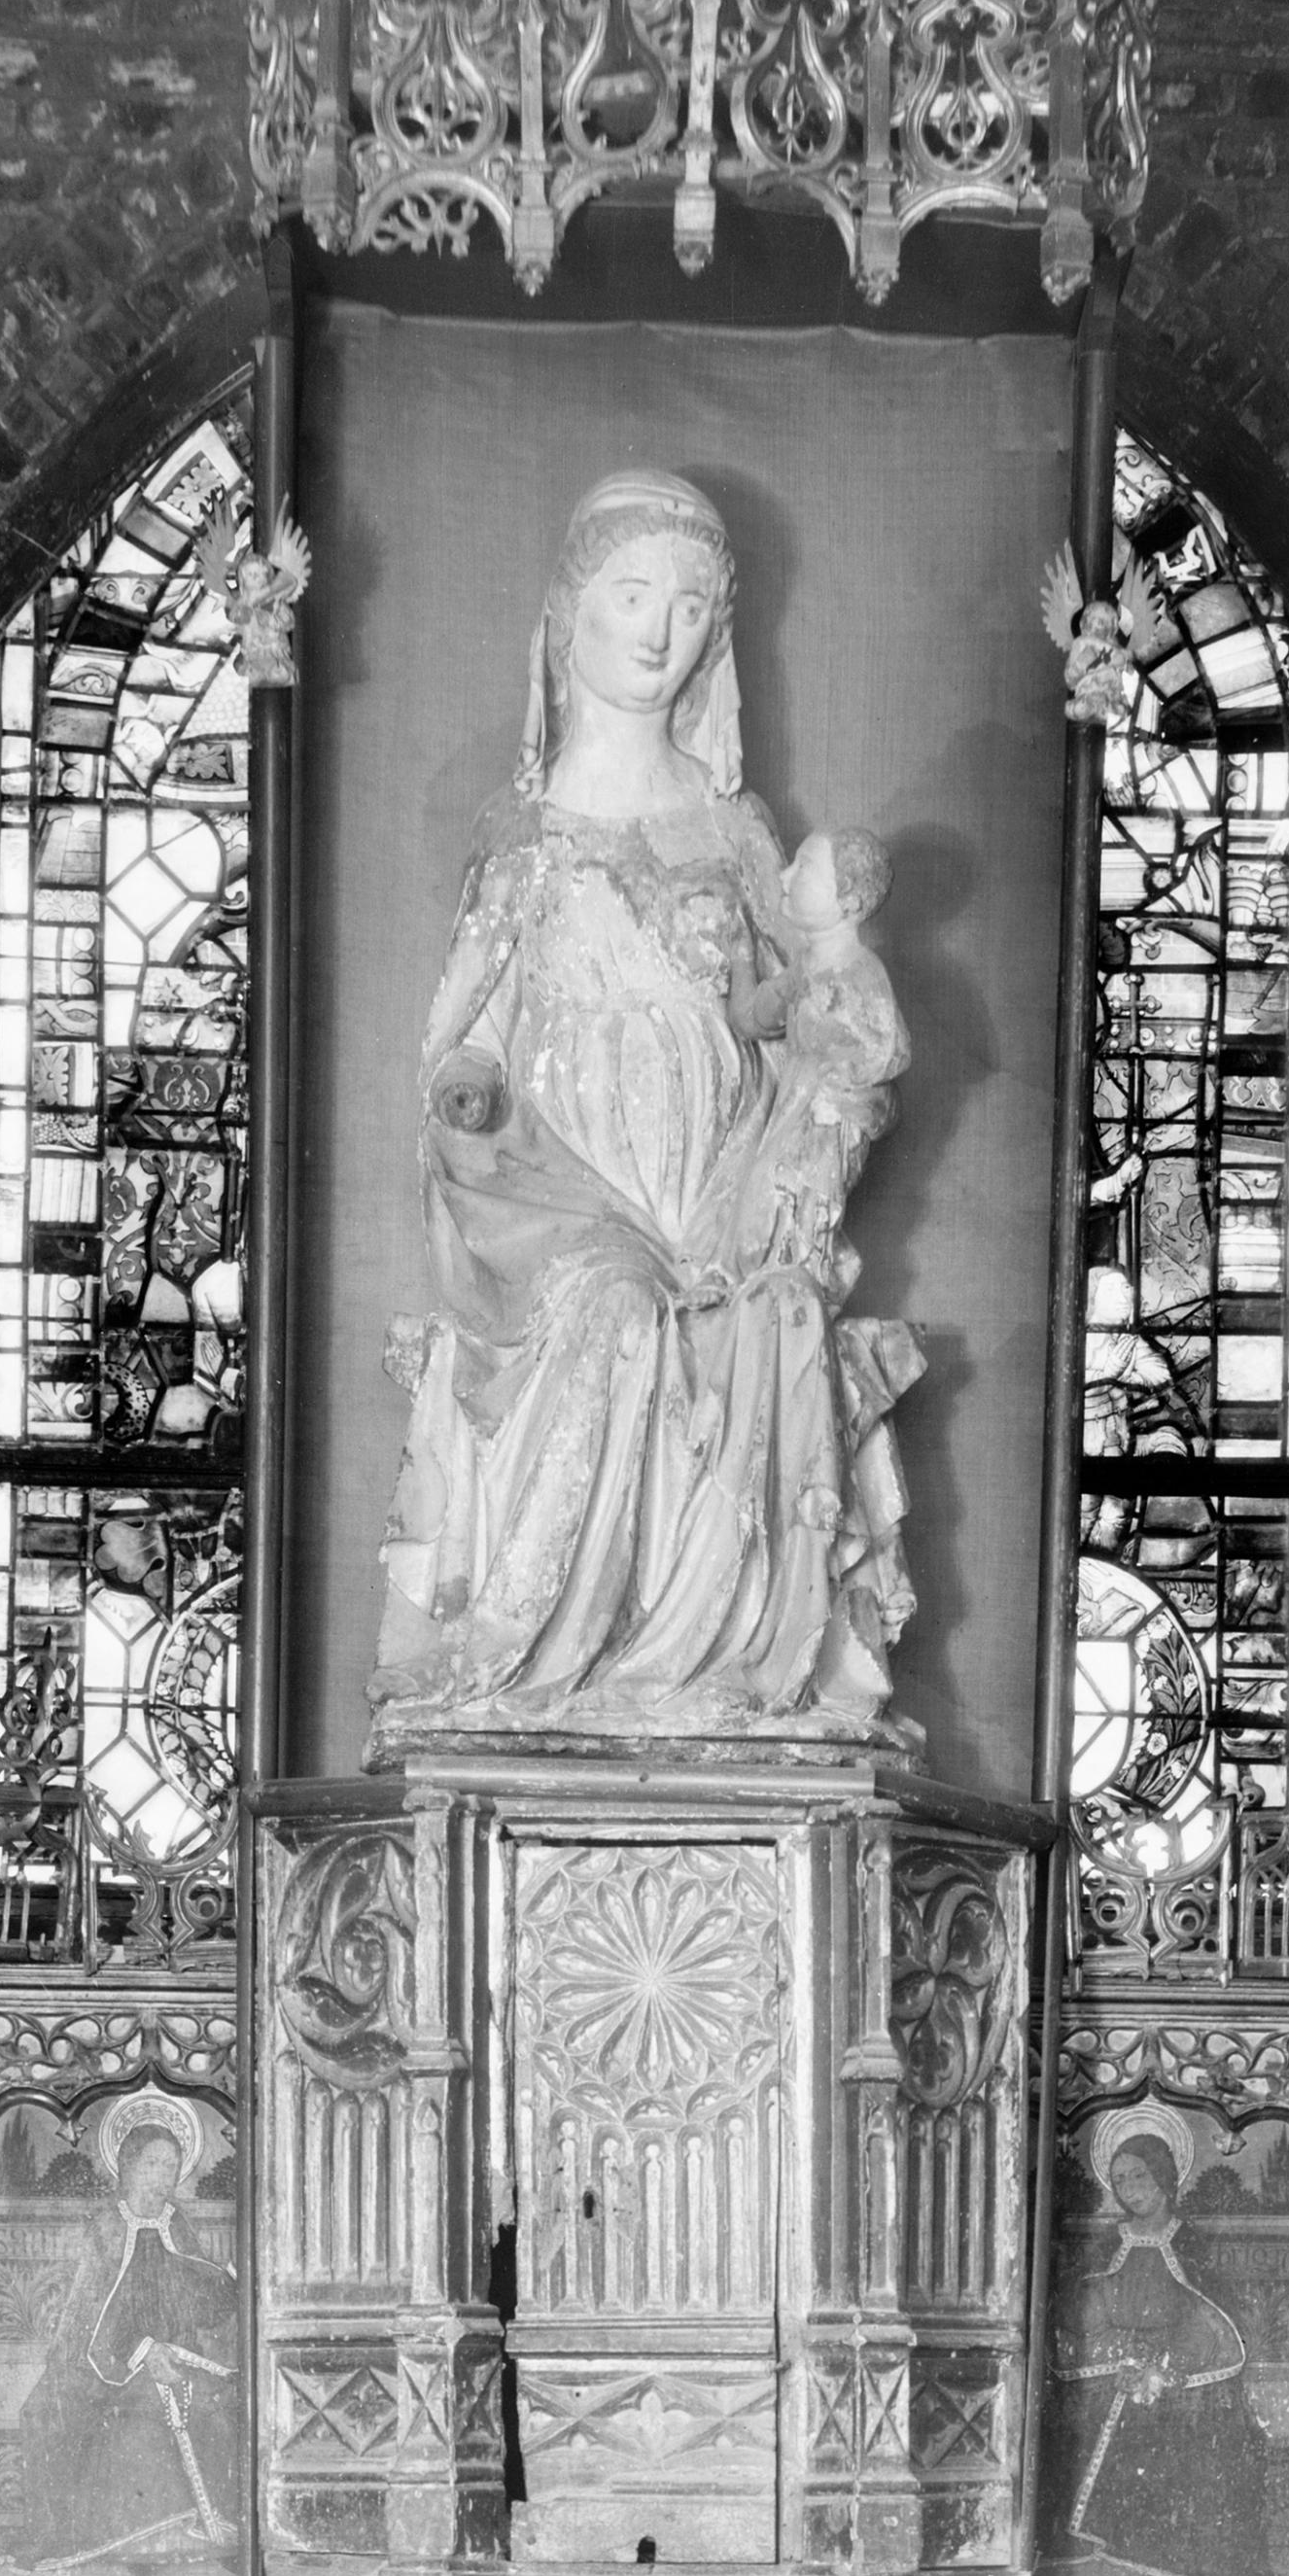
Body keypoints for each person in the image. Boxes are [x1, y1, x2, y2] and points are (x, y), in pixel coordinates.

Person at [370, 469, 920, 1747]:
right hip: (562, 1190)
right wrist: (468, 1086)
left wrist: (830, 1073)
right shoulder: (522, 833)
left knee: (777, 1317)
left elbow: (799, 1010)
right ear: (571, 615)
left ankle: (743, 1666)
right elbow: (471, 1034)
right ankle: (546, 1663)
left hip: (722, 1190)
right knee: (616, 1309)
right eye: (631, 596)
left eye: (687, 604)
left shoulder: (735, 829)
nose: (658, 631)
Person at [3, 2091, 239, 2572]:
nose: (164, 2178)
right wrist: (141, 2353)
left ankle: (201, 2534)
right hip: (109, 2363)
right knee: (126, 2424)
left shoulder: (178, 2223)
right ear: (127, 2167)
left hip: (179, 2353)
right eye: (153, 2164)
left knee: (221, 2411)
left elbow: (201, 2299)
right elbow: (86, 2315)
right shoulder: (106, 2227)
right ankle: (139, 2544)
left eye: (171, 2167)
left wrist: (229, 2281)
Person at [1047, 2124, 1277, 2576]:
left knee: (1211, 2430)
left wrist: (1165, 2367)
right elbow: (1082, 2312)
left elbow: (1209, 2317)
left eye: (1139, 2176)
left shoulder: (1190, 2244)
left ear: (1165, 2177)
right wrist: (1118, 2355)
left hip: (1178, 2371)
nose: (1131, 2190)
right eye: (1122, 2180)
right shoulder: (1109, 2243)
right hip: (1110, 2367)